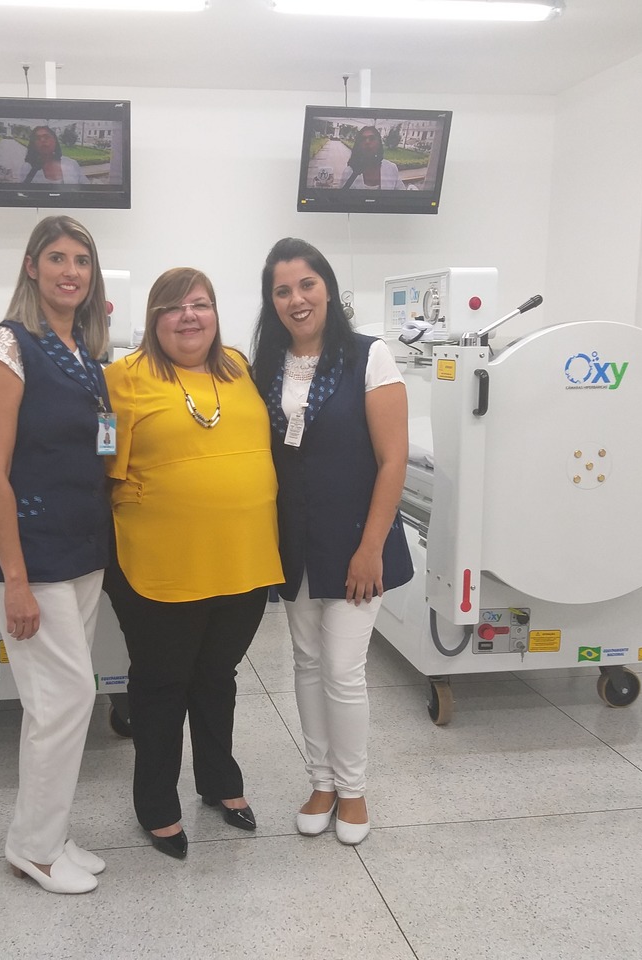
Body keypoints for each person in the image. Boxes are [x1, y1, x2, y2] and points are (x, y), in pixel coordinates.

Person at [103, 267, 283, 860]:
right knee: (161, 684)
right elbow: (102, 462)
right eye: (173, 307)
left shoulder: (239, 368)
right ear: (154, 318)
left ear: (215, 313)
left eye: (200, 304)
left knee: (217, 675)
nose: (189, 316)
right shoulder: (122, 379)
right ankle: (157, 804)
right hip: (160, 563)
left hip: (244, 558)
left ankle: (219, 781)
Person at [250, 237, 413, 846]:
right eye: (282, 290)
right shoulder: (266, 367)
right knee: (307, 663)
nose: (296, 299)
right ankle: (320, 781)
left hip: (355, 542)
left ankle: (353, 789)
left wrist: (370, 549)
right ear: (271, 301)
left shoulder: (369, 356)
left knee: (343, 670)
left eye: (306, 285)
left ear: (328, 289)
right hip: (295, 543)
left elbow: (392, 460)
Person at [0, 215, 113, 894]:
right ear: (31, 267)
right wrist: (15, 581)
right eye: (56, 258)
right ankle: (33, 847)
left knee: (56, 704)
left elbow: (100, 446)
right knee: (67, 697)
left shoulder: (85, 352)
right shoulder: (8, 345)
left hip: (81, 546)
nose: (70, 272)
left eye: (81, 260)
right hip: (32, 553)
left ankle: (48, 833)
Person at [339, 125, 403, 190]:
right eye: (363, 139)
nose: (367, 142)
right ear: (359, 145)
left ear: (379, 143)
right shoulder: (349, 172)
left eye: (372, 138)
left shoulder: (391, 168)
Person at [20, 125, 87, 185]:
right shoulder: (27, 168)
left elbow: (86, 187)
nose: (42, 140)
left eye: (46, 137)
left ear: (55, 141)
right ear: (34, 144)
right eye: (37, 138)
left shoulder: (72, 164)